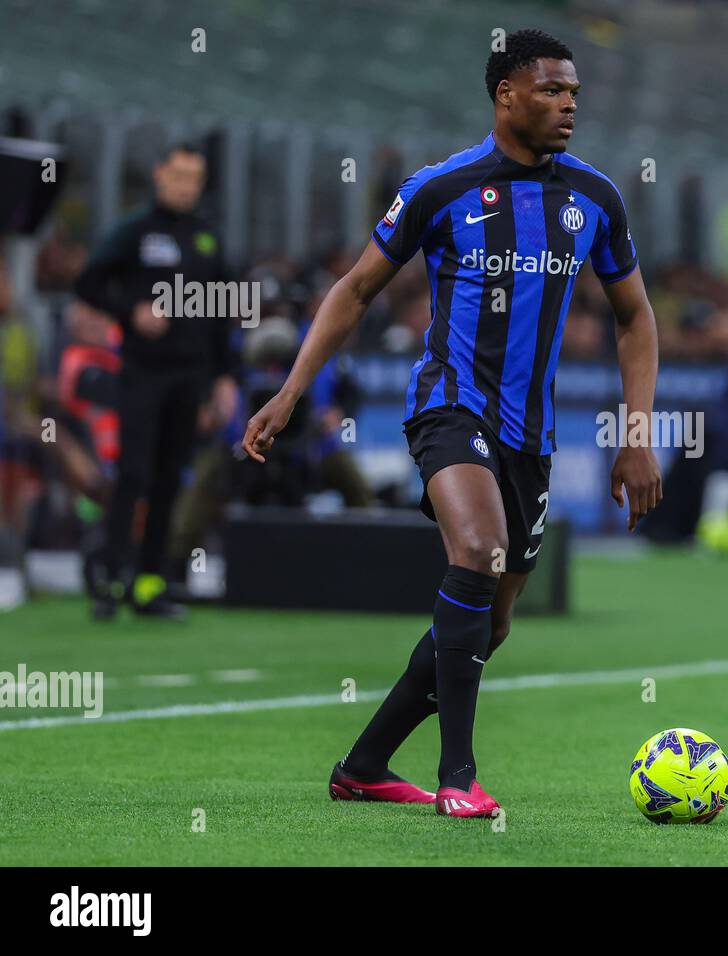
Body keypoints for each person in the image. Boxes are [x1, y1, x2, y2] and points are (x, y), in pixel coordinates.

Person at [242, 29, 661, 818]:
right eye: (552, 90)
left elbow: (636, 319)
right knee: (477, 549)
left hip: (529, 436)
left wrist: (636, 435)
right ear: (506, 95)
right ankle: (458, 777)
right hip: (449, 406)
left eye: (575, 92)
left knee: (492, 623)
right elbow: (356, 290)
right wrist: (293, 390)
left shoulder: (595, 199)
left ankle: (364, 764)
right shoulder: (443, 188)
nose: (570, 104)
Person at [74, 142, 238, 620]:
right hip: (144, 372)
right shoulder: (134, 231)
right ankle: (111, 578)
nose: (186, 186)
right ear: (159, 175)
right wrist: (131, 311)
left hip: (190, 375)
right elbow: (88, 282)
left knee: (170, 478)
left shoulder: (207, 237)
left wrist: (224, 378)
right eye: (179, 176)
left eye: (195, 178)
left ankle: (151, 583)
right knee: (134, 473)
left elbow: (224, 309)